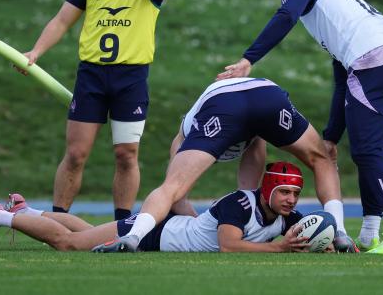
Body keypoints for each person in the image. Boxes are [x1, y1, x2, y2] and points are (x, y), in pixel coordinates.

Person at [217, 0, 383, 254]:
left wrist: (249, 59)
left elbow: (285, 16)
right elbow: (342, 79)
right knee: (367, 149)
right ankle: (370, 234)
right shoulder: (337, 8)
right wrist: (331, 136)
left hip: (373, 62)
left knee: (369, 150)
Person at [18, 0, 176, 220]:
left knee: (126, 155)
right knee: (76, 154)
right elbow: (62, 21)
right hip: (91, 76)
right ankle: (58, 220)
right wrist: (34, 53)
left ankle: (121, 227)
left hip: (130, 78)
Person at [92, 77, 357, 253]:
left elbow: (177, 197)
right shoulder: (200, 135)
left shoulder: (187, 133)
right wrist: (207, 226)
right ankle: (341, 233)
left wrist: (206, 227)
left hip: (225, 103)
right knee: (322, 158)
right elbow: (251, 196)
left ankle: (133, 237)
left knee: (172, 185)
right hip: (268, 94)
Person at [0, 162, 320, 253]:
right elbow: (229, 246)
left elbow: (318, 230)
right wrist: (278, 247)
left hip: (161, 232)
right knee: (69, 244)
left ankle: (27, 210)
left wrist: (338, 242)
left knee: (82, 232)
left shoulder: (289, 216)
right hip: (153, 235)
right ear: (268, 190)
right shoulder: (240, 204)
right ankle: (0, 215)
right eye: (284, 192)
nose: (290, 199)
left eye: (294, 193)